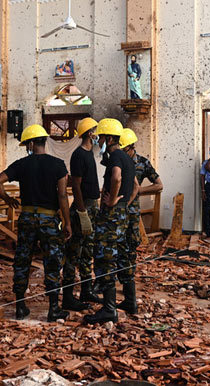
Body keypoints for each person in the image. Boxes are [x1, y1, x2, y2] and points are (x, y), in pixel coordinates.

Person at [0, 124, 72, 322]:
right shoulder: (58, 165)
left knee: (22, 261)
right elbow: (62, 195)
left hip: (27, 218)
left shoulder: (21, 164)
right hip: (49, 219)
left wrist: (7, 199)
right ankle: (53, 309)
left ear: (30, 143)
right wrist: (67, 222)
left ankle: (20, 306)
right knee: (52, 262)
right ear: (44, 141)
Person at [83, 118, 139, 325]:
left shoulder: (115, 156)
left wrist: (114, 199)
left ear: (108, 137)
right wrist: (125, 202)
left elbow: (115, 178)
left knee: (105, 259)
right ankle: (130, 302)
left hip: (111, 216)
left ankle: (108, 310)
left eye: (100, 137)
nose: (98, 141)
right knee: (123, 257)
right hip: (123, 215)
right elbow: (135, 186)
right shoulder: (128, 158)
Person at [116, 128, 161, 315]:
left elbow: (159, 185)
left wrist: (138, 191)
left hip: (132, 212)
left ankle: (129, 294)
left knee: (129, 250)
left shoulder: (142, 163)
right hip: (118, 210)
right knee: (117, 251)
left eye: (124, 149)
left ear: (131, 147)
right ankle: (122, 292)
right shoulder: (118, 159)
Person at [62, 117, 101, 310]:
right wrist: (81, 211)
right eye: (95, 130)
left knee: (87, 251)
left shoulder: (90, 154)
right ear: (89, 133)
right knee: (74, 252)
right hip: (83, 207)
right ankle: (68, 296)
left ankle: (87, 290)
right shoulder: (79, 155)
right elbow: (76, 185)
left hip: (92, 205)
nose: (97, 134)